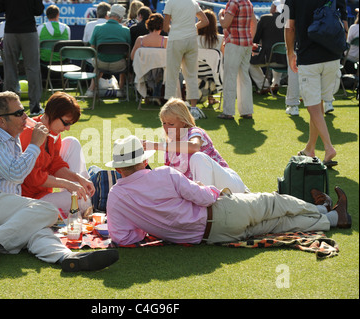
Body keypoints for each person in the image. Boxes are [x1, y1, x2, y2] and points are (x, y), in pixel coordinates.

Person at [0, 91, 119, 271]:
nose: (25, 116)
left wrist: (76, 178)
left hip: (0, 209)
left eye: (23, 111)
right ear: (1, 120)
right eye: (18, 113)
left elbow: (51, 164)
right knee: (48, 211)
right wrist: (35, 144)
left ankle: (66, 257)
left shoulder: (12, 138)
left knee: (37, 230)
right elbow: (18, 175)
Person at [105, 135, 351, 246]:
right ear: (142, 161)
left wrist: (149, 224)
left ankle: (330, 218)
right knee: (274, 203)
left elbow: (124, 237)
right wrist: (209, 189)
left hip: (210, 238)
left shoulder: (115, 196)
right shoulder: (164, 174)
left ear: (118, 169)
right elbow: (202, 198)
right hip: (218, 214)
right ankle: (322, 208)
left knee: (278, 226)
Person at [285, 0, 348, 168]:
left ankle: (328, 148)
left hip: (309, 57)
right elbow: (344, 23)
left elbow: (289, 27)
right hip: (333, 55)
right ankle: (310, 148)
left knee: (313, 106)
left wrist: (290, 52)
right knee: (317, 104)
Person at [143, 98, 248, 193]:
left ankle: (205, 201)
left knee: (197, 157)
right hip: (211, 190)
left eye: (171, 124)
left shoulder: (194, 132)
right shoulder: (170, 145)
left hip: (230, 184)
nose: (166, 128)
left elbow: (194, 147)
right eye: (164, 123)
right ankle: (204, 201)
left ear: (183, 122)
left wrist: (155, 145)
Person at [20, 92, 94, 220]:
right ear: (53, 114)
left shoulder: (52, 132)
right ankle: (75, 206)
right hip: (28, 200)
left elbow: (55, 165)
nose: (68, 128)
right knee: (83, 202)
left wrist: (79, 178)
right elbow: (33, 178)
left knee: (72, 142)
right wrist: (68, 184)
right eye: (66, 122)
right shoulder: (31, 133)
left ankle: (76, 198)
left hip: (43, 193)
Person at [0, 0, 44, 116]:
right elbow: (39, 11)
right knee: (32, 69)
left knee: (10, 69)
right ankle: (35, 107)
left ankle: (10, 108)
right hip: (28, 30)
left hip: (11, 31)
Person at [163, 0, 209, 120]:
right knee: (191, 74)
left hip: (176, 39)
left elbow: (165, 26)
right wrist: (192, 27)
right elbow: (205, 21)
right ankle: (193, 108)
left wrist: (176, 29)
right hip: (191, 39)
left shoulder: (170, 3)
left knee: (172, 73)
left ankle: (170, 108)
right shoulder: (193, 3)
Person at [217, 0, 257, 120]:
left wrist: (220, 15)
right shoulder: (248, 3)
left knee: (230, 77)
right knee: (244, 77)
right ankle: (247, 111)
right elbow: (254, 23)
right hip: (246, 44)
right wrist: (250, 39)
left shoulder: (234, 2)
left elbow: (225, 24)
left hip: (234, 43)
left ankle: (228, 112)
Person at [86, 4, 130, 98]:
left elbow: (92, 47)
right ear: (121, 18)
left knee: (97, 66)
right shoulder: (126, 30)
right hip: (119, 65)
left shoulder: (98, 28)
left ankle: (90, 90)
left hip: (101, 63)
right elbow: (128, 52)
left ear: (109, 15)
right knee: (125, 62)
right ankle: (120, 90)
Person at [249, 1, 286, 95]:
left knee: (249, 63)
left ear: (274, 8)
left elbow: (255, 39)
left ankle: (264, 86)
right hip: (286, 61)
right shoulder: (290, 20)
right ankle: (275, 83)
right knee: (278, 54)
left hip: (268, 59)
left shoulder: (265, 18)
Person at [197, 9, 224, 106]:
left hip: (196, 73)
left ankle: (209, 97)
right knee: (217, 66)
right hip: (215, 76)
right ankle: (211, 97)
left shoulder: (193, 39)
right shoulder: (220, 39)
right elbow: (224, 58)